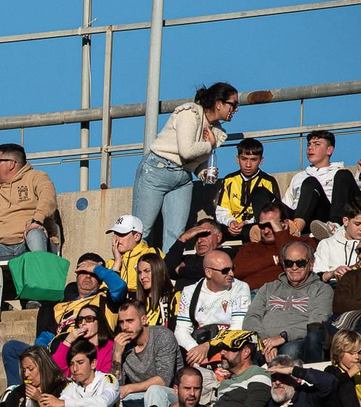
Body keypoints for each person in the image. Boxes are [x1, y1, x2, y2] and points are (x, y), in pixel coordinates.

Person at [132, 83, 238, 251]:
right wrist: (209, 145)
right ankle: (129, 274)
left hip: (183, 178)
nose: (236, 109)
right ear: (218, 104)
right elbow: (187, 151)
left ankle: (168, 275)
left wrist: (203, 172)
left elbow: (192, 161)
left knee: (176, 234)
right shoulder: (190, 112)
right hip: (157, 170)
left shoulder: (216, 130)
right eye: (233, 104)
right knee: (141, 230)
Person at [243, 241, 335, 363]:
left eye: (301, 263)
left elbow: (317, 323)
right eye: (289, 263)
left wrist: (284, 337)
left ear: (311, 264)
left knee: (290, 351)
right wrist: (265, 342)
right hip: (265, 342)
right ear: (283, 265)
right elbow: (251, 317)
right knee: (245, 353)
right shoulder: (268, 288)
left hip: (297, 340)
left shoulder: (322, 289)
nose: (294, 267)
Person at [173, 250, 252, 366]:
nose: (232, 274)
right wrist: (195, 350)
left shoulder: (240, 287)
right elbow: (181, 329)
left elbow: (237, 327)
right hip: (198, 344)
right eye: (225, 270)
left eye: (232, 268)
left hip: (229, 346)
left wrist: (208, 347)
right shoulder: (189, 291)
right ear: (208, 273)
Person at [111, 300, 180, 407]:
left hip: (172, 395)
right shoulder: (121, 345)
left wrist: (129, 388)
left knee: (154, 391)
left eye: (130, 321)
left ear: (144, 320)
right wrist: (117, 354)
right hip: (142, 397)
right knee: (111, 400)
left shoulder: (162, 336)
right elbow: (117, 387)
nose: (125, 327)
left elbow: (164, 379)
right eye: (121, 322)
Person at [283, 129, 360, 236]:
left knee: (310, 183)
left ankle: (299, 230)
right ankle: (263, 227)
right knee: (261, 192)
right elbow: (287, 204)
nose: (310, 147)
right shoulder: (298, 177)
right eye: (309, 144)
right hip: (297, 215)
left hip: (323, 217)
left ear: (329, 150)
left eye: (317, 144)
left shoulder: (339, 174)